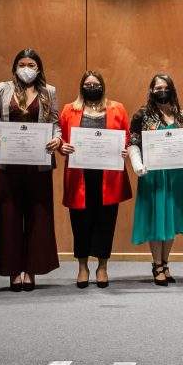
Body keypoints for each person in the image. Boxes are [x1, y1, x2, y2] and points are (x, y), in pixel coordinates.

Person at [0, 48, 61, 292]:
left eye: (31, 65)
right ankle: (12, 271)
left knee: (38, 215)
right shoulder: (3, 88)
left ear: (38, 68)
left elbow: (55, 124)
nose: (26, 69)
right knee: (9, 215)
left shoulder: (49, 92)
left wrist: (57, 139)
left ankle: (31, 270)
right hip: (10, 163)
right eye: (22, 64)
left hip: (39, 163)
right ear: (15, 67)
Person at [58, 71, 132, 289]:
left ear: (103, 86)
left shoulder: (117, 108)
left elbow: (126, 135)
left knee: (106, 221)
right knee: (80, 222)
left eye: (96, 84)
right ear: (82, 87)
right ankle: (82, 267)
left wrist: (124, 149)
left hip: (108, 176)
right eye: (88, 84)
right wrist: (63, 146)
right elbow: (60, 138)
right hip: (79, 176)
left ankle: (102, 267)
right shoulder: (69, 109)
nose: (92, 87)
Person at [127, 74, 183, 286]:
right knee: (156, 219)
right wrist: (137, 165)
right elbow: (133, 143)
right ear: (151, 91)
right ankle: (156, 264)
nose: (161, 91)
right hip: (152, 175)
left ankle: (165, 262)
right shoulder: (142, 115)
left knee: (171, 219)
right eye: (157, 88)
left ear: (172, 90)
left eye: (165, 87)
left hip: (176, 176)